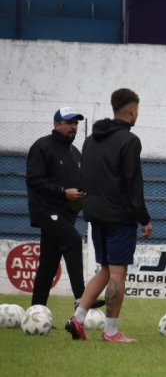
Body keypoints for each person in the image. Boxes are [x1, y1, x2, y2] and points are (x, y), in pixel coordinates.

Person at [64, 88, 152, 343]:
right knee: (117, 274)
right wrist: (143, 218)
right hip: (119, 216)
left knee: (105, 270)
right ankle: (111, 332)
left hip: (95, 213)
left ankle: (78, 319)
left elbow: (85, 176)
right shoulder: (130, 141)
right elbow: (132, 183)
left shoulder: (90, 140)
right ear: (132, 110)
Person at [26, 107, 102, 309]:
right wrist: (63, 192)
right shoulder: (42, 146)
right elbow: (34, 180)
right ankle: (81, 299)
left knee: (49, 265)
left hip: (67, 214)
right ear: (56, 124)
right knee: (74, 240)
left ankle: (36, 311)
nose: (73, 127)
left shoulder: (75, 153)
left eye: (76, 123)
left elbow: (81, 183)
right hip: (45, 210)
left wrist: (84, 195)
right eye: (69, 122)